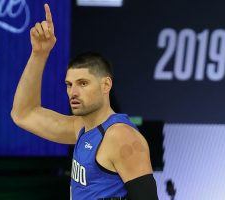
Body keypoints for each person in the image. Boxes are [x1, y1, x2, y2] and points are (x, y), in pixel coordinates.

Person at [11, 3, 158, 200]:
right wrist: (39, 53)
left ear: (106, 85)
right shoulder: (81, 128)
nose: (73, 92)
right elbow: (23, 114)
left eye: (83, 83)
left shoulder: (121, 136)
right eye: (69, 84)